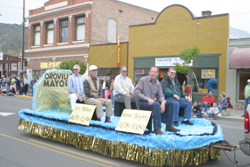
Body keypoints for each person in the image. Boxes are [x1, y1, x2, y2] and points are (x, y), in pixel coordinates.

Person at [134, 66, 180, 135]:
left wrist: (163, 102)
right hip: (142, 102)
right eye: (151, 71)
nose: (152, 73)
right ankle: (157, 128)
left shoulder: (158, 83)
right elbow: (136, 92)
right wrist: (147, 98)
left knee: (171, 103)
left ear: (158, 74)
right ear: (149, 72)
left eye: (154, 72)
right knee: (156, 104)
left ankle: (169, 126)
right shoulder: (143, 80)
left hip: (152, 102)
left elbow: (160, 95)